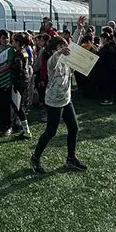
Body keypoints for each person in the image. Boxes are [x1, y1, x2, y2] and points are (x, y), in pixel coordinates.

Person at [30, 34, 87, 174]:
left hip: (66, 99)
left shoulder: (68, 60)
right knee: (51, 131)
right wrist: (59, 53)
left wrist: (79, 30)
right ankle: (35, 158)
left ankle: (71, 158)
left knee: (74, 128)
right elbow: (53, 60)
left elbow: (74, 47)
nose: (65, 48)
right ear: (55, 49)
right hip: (54, 101)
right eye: (61, 46)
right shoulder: (52, 61)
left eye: (65, 45)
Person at [0, 30, 15, 135]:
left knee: (6, 104)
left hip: (6, 80)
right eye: (3, 38)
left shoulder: (11, 49)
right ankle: (2, 122)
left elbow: (9, 64)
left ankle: (8, 125)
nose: (5, 40)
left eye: (7, 37)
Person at [10, 33, 33, 139]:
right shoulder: (24, 52)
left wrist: (15, 83)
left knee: (18, 106)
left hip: (19, 82)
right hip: (25, 81)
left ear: (18, 42)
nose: (12, 42)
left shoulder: (19, 54)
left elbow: (18, 69)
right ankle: (23, 127)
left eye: (13, 41)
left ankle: (26, 129)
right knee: (19, 105)